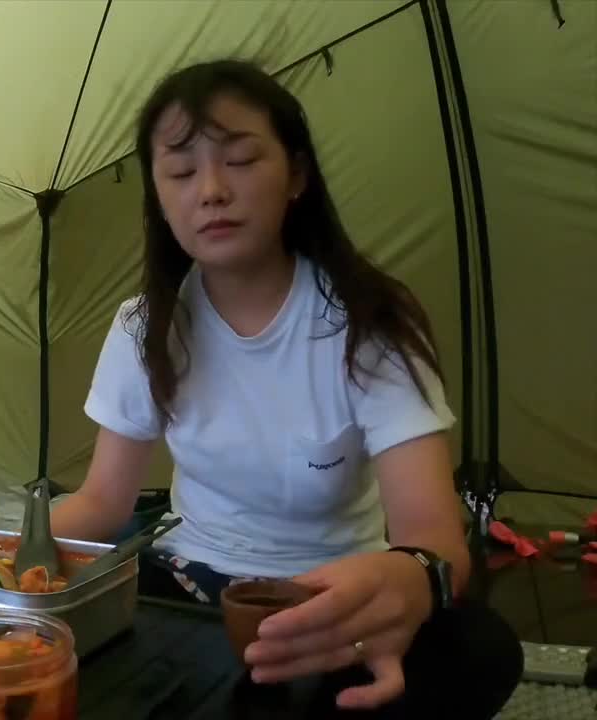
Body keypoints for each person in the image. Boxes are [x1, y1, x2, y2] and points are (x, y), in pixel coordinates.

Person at [49, 60, 522, 718]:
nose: (210, 190)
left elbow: (432, 534)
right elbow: (101, 503)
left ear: (296, 174)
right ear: (159, 196)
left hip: (333, 595)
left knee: (481, 647)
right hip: (184, 586)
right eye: (181, 173)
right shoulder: (145, 327)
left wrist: (413, 578)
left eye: (240, 160)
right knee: (63, 651)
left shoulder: (370, 323)